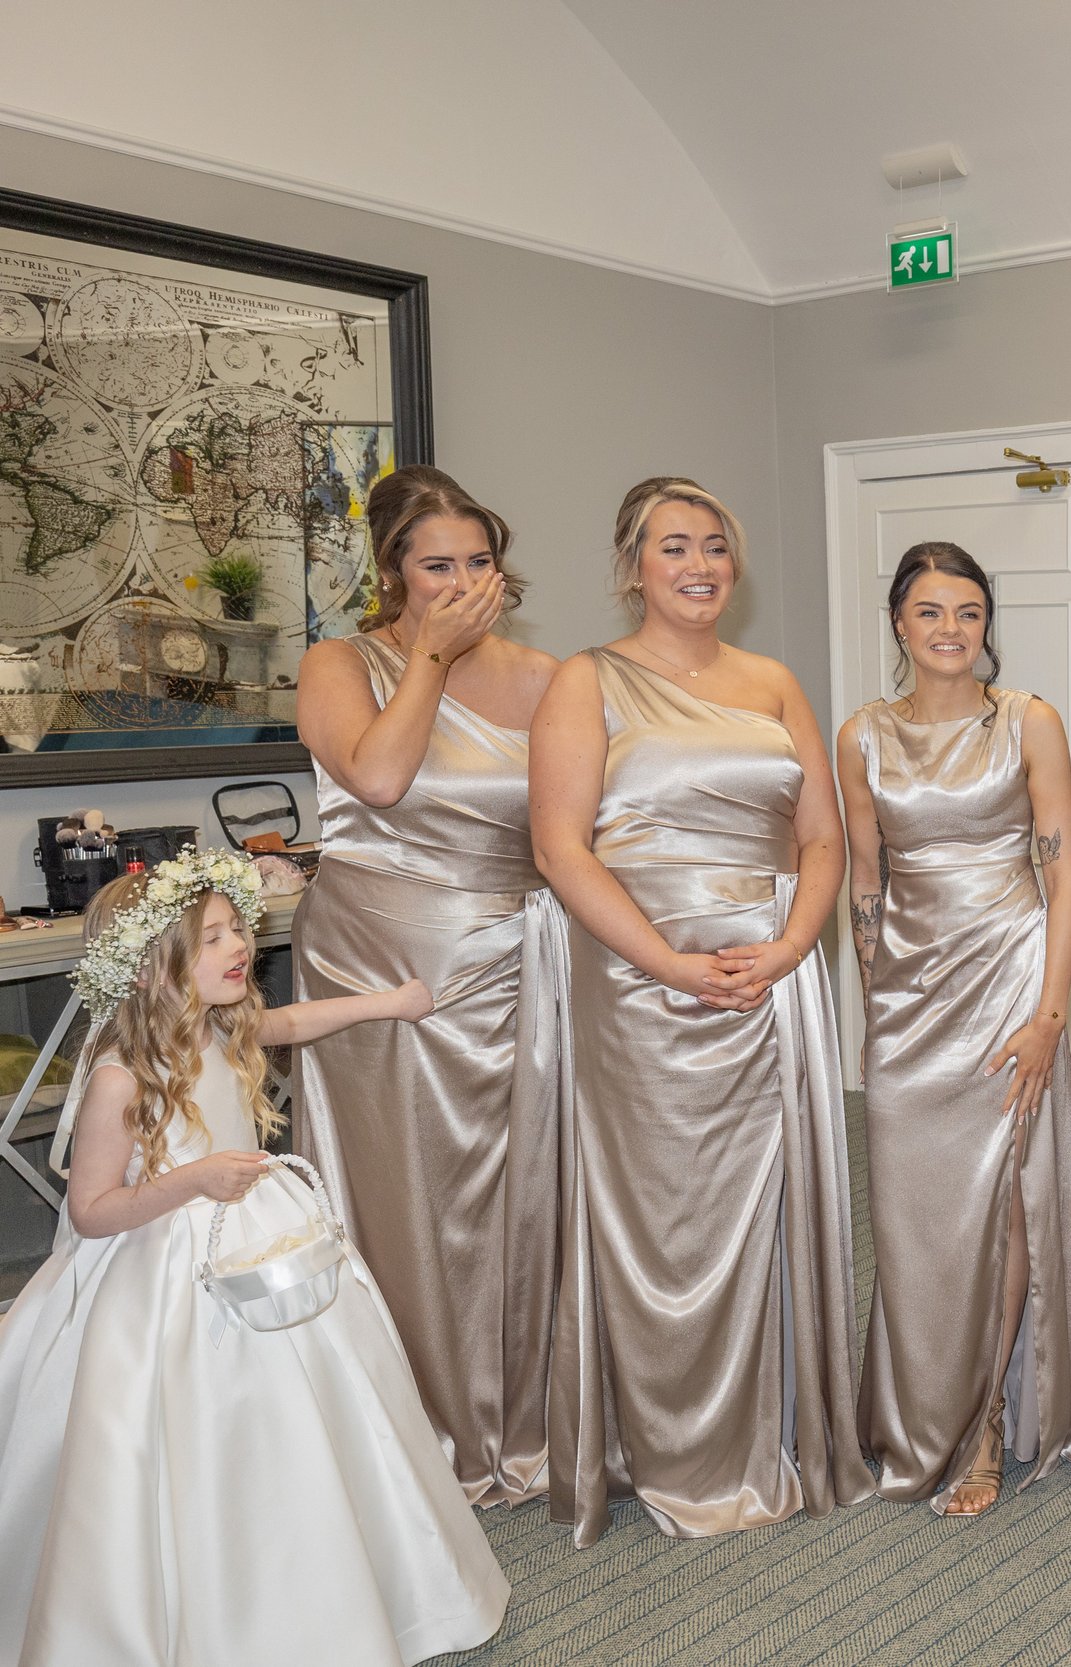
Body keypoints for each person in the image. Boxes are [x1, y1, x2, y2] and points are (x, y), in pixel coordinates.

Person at [0, 856, 507, 1664]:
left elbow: (296, 1021)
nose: (240, 945)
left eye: (237, 928)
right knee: (191, 1428)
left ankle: (323, 1570)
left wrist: (391, 1003)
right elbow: (92, 1210)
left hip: (262, 1240)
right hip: (162, 1267)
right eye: (213, 937)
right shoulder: (121, 1079)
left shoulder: (222, 1028)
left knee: (315, 1400)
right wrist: (193, 1178)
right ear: (151, 968)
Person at [531, 475, 870, 1543]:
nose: (700, 564)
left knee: (762, 1202)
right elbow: (560, 849)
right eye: (674, 545)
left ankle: (766, 1434)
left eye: (715, 545)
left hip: (771, 975)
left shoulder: (773, 682)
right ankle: (660, 1446)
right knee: (660, 1212)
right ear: (632, 566)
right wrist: (670, 965)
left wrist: (795, 944)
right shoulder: (586, 680)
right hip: (641, 981)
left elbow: (823, 836)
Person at [293, 464, 562, 1505]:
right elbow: (378, 776)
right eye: (436, 565)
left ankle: (520, 1410)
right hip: (376, 961)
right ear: (393, 572)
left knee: (518, 1190)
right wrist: (430, 660)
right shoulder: (339, 663)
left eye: (477, 562)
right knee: (404, 1195)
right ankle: (406, 1428)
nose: (461, 584)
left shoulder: (543, 676)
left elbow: (583, 823)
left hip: (512, 958)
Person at [840, 541, 1071, 1515]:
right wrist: (877, 1000)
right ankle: (918, 1406)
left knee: (1004, 1206)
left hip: (1008, 987)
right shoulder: (861, 736)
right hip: (907, 1004)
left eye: (967, 611)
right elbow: (864, 880)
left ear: (985, 623)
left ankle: (985, 1420)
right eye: (929, 611)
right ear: (899, 623)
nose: (950, 629)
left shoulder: (1029, 722)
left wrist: (1050, 1014)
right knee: (913, 1215)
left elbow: (1064, 876)